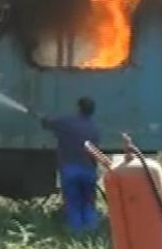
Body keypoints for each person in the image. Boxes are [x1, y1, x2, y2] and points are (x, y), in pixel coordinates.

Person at [37, 97, 102, 233]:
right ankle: (91, 231)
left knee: (73, 203)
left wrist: (41, 116)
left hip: (70, 169)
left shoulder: (67, 122)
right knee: (89, 202)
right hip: (89, 170)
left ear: (78, 108)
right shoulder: (94, 127)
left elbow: (47, 124)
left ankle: (77, 234)